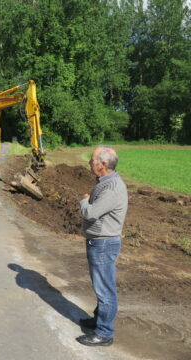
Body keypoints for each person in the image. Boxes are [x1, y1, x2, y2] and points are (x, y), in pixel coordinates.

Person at [76, 146, 128, 347]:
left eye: (92, 160)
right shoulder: (105, 183)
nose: (90, 163)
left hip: (103, 243)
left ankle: (104, 332)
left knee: (105, 289)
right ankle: (99, 320)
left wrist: (84, 201)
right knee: (101, 286)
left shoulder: (112, 187)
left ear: (103, 165)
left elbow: (90, 213)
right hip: (99, 241)